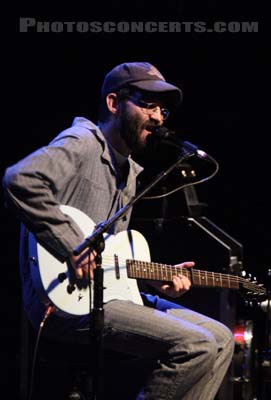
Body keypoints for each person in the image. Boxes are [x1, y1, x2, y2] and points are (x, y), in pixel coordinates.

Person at [3, 62, 234, 399]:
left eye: (163, 110)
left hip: (107, 294)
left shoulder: (127, 171)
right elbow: (20, 180)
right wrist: (70, 243)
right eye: (147, 104)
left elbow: (111, 258)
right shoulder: (83, 141)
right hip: (64, 301)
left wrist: (153, 278)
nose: (158, 117)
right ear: (114, 103)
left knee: (222, 338)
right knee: (196, 344)